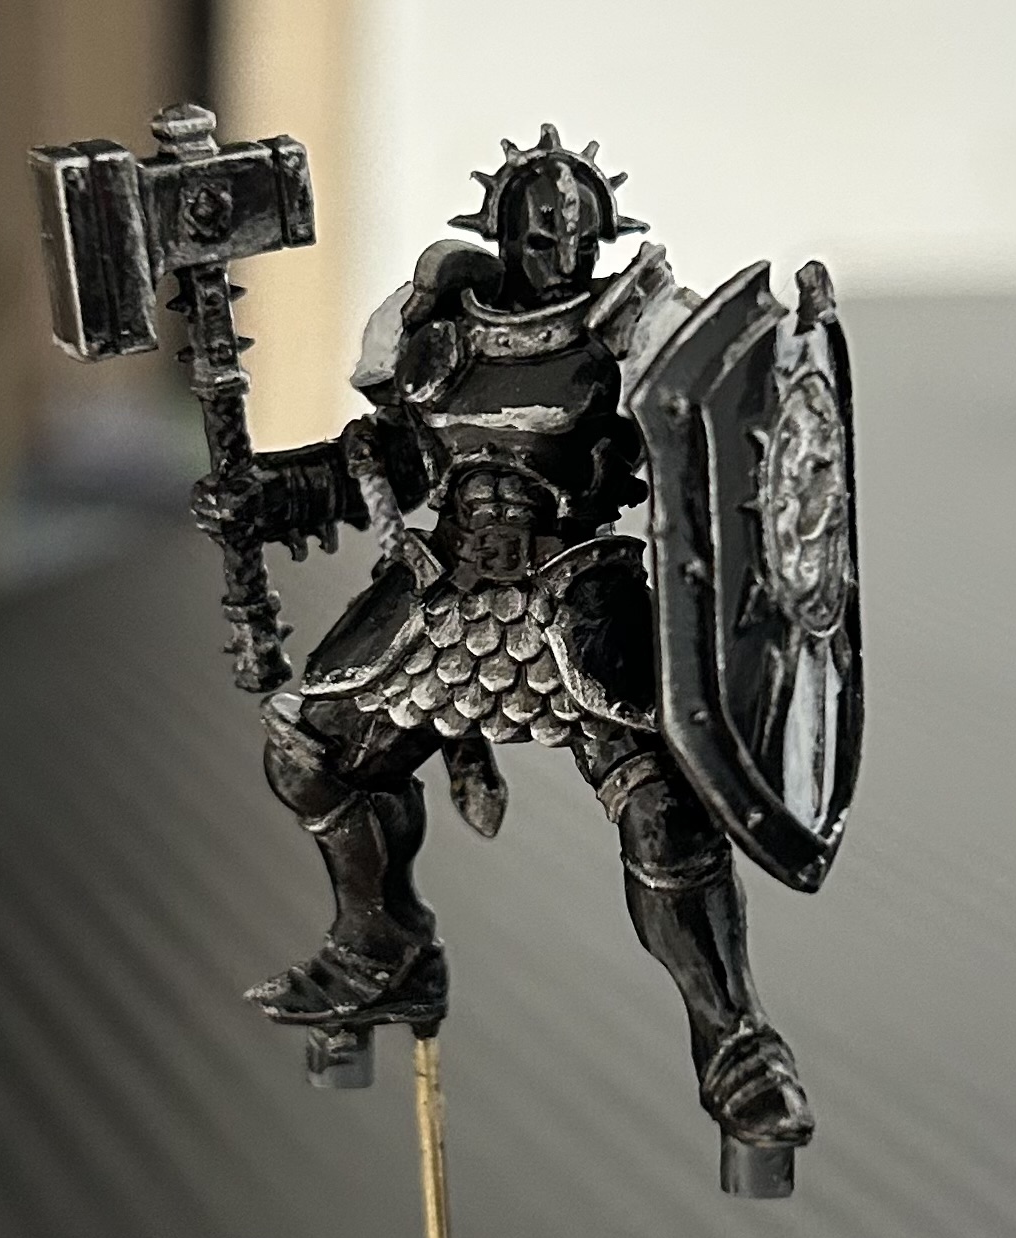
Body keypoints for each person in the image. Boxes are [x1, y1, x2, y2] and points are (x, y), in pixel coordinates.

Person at [193, 125, 814, 1149]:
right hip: (442, 595)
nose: (561, 253)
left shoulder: (629, 332)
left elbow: (712, 452)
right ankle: (381, 942)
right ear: (503, 234)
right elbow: (378, 462)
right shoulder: (436, 340)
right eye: (540, 236)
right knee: (308, 751)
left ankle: (735, 1041)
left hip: (578, 599)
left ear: (602, 235)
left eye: (578, 237)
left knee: (666, 815)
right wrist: (267, 493)